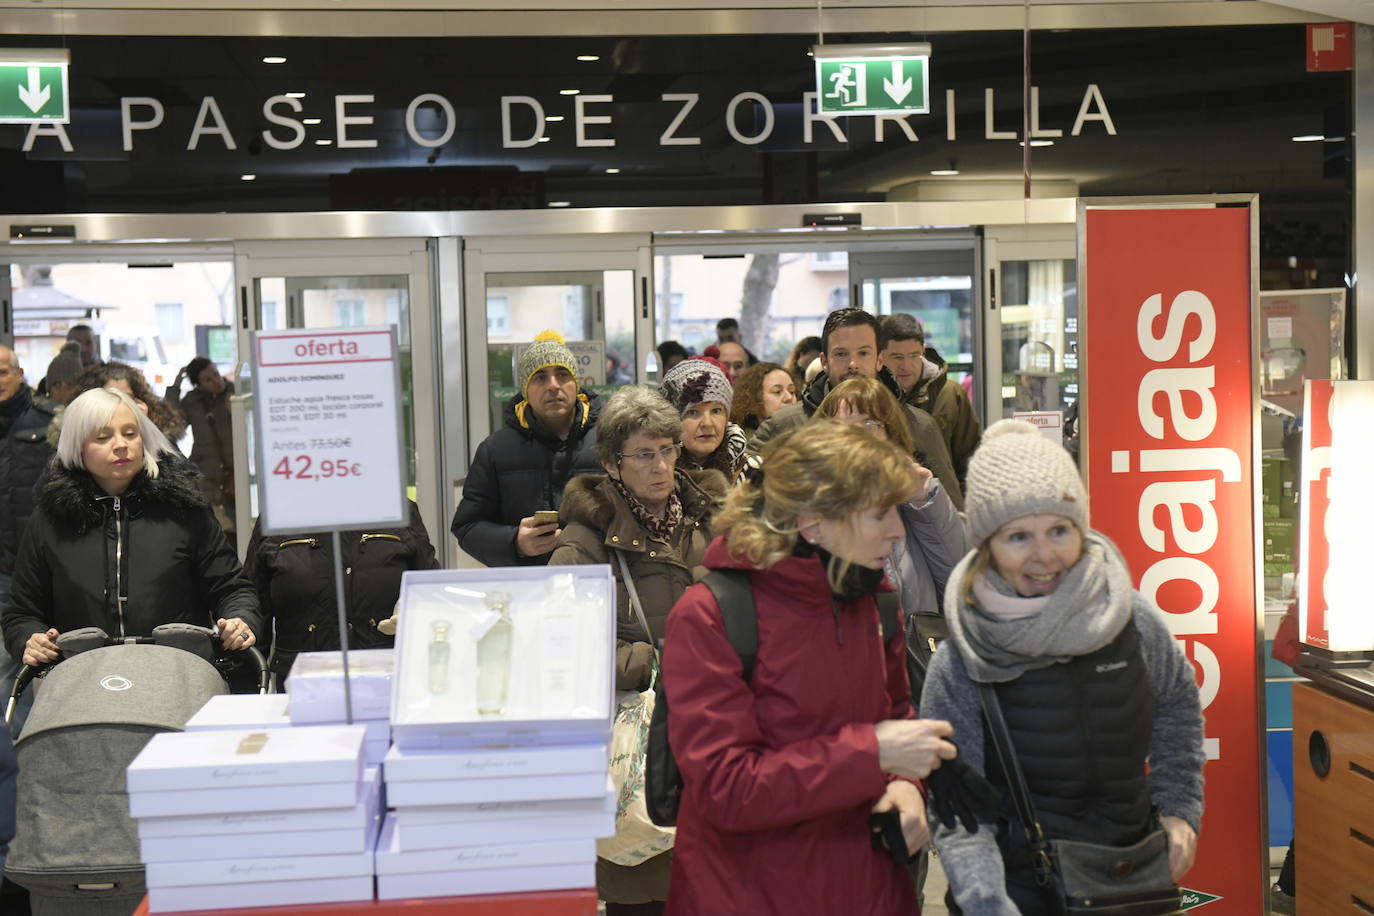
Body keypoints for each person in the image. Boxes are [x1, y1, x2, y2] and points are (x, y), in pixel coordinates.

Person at [661, 420, 957, 915]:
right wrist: (874, 755)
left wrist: (909, 788)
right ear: (813, 523)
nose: (897, 529)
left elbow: (899, 720)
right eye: (879, 512)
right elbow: (726, 788)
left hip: (870, 889)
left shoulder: (875, 603)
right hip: (748, 894)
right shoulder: (711, 615)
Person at [919, 420, 1206, 915]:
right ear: (986, 544)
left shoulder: (1130, 619)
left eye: (1059, 530)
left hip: (1131, 885)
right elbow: (959, 810)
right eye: (1018, 537)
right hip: (1017, 894)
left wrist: (1180, 810)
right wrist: (987, 903)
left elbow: (1177, 706)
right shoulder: (962, 657)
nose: (1045, 555)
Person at [549, 385, 728, 915]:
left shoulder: (711, 522)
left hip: (715, 736)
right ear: (612, 463)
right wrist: (656, 661)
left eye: (668, 449)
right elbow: (565, 648)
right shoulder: (583, 542)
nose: (660, 465)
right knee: (646, 897)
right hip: (638, 745)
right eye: (644, 454)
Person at [3, 387, 262, 670]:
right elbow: (22, 613)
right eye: (103, 437)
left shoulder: (185, 509)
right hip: (80, 687)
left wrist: (240, 618)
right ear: (77, 446)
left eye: (130, 433)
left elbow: (232, 588)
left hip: (179, 680)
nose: (121, 445)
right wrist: (30, 639)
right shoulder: (51, 519)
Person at [750, 307, 963, 508]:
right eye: (841, 354)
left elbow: (950, 512)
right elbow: (744, 491)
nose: (853, 364)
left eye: (863, 353)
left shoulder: (919, 425)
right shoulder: (786, 423)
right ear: (824, 361)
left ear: (880, 360)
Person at [815, 377, 966, 624]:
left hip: (914, 655)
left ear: (890, 435)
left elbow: (959, 584)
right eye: (844, 428)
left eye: (869, 424)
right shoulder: (814, 505)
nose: (857, 439)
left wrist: (924, 500)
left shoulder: (917, 498)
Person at [245, 500, 439, 684]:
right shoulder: (278, 516)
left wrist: (413, 609)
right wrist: (246, 697)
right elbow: (255, 609)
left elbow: (431, 592)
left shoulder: (398, 508)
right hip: (302, 683)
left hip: (388, 675)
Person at [451, 330, 601, 566]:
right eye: (540, 377)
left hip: (598, 582)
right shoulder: (495, 451)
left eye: (562, 374)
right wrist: (514, 542)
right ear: (525, 390)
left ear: (576, 384)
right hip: (527, 589)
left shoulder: (608, 442)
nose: (553, 386)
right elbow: (467, 527)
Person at [879, 313, 982, 488]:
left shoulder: (950, 395)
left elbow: (970, 460)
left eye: (914, 355)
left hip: (947, 503)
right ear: (881, 357)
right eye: (897, 357)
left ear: (923, 351)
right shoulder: (874, 399)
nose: (906, 365)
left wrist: (962, 506)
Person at [166, 356, 236, 533]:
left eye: (216, 373)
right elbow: (171, 425)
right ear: (199, 384)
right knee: (210, 529)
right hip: (205, 475)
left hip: (234, 475)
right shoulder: (193, 402)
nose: (216, 381)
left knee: (236, 528)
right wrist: (175, 388)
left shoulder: (234, 395)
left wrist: (235, 412)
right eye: (208, 380)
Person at [658, 357, 746, 483]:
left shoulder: (752, 472)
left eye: (716, 411)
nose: (707, 424)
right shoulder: (656, 473)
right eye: (693, 412)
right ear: (672, 420)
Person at [69, 361, 187, 446]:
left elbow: (177, 473)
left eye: (127, 397)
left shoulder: (157, 429)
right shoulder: (77, 433)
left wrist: (145, 427)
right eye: (111, 397)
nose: (120, 403)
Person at [729, 362, 796, 437]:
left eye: (792, 391)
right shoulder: (740, 443)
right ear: (754, 399)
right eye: (777, 392)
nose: (789, 397)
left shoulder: (806, 434)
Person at [41, 342, 84, 406]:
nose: (63, 392)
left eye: (70, 385)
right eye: (57, 385)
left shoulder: (92, 414)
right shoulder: (38, 414)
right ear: (49, 390)